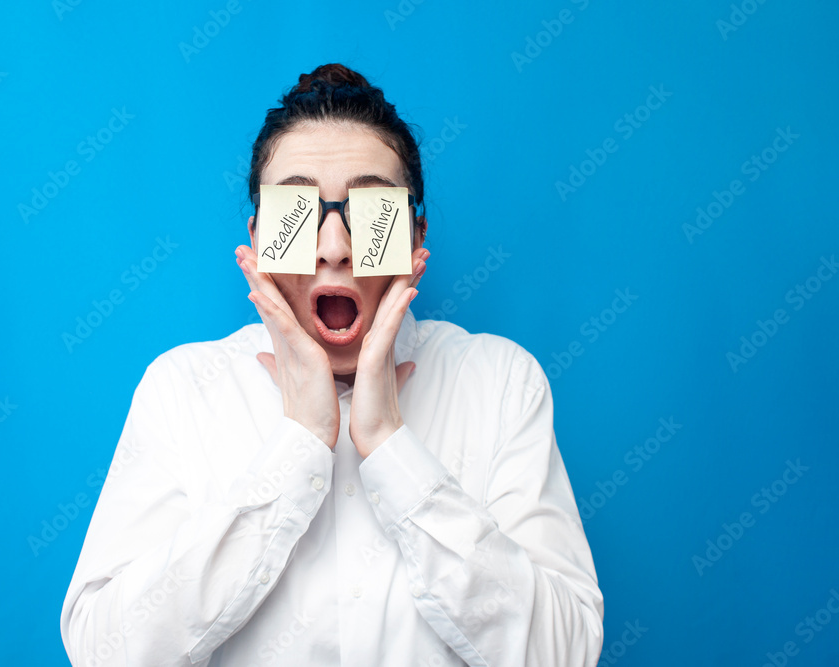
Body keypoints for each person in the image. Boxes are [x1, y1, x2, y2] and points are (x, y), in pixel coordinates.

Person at [60, 63, 603, 667]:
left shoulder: (498, 382)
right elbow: (102, 650)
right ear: (261, 235)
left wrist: (390, 446)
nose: (335, 247)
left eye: (374, 212)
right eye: (296, 213)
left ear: (416, 234)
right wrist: (299, 444)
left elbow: (565, 653)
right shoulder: (184, 388)